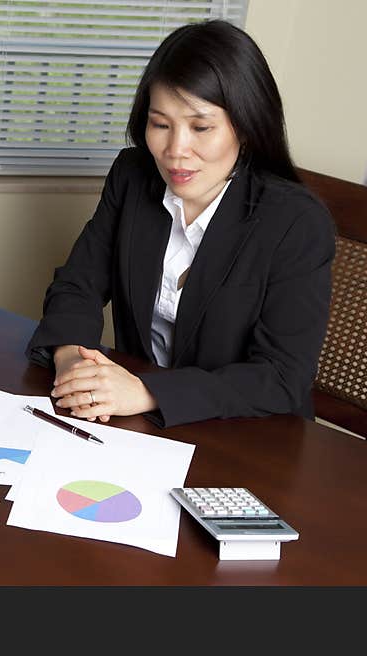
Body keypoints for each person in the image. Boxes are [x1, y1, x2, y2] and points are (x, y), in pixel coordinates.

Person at [27, 20, 335, 428]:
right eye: (160, 124)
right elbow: (78, 285)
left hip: (249, 435)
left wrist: (147, 392)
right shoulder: (133, 177)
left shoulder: (296, 221)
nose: (176, 151)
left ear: (245, 125)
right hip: (139, 425)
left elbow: (282, 376)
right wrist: (71, 362)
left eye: (201, 127)